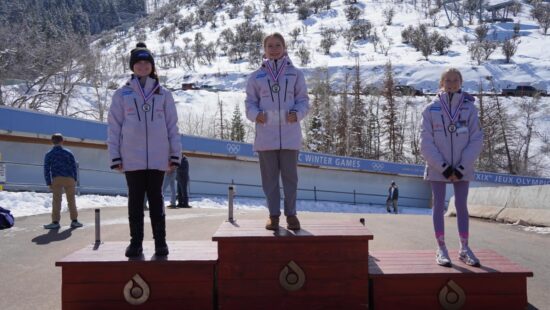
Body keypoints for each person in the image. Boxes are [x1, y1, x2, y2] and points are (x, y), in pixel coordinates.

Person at [107, 42, 181, 257]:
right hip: (131, 158)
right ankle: (135, 242)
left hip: (158, 158)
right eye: (138, 63)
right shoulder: (122, 94)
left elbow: (172, 127)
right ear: (132, 66)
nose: (142, 66)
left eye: (146, 62)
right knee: (135, 202)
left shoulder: (163, 94)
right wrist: (115, 156)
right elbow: (114, 127)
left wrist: (174, 155)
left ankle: (160, 242)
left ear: (152, 66)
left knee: (157, 201)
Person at [245, 33, 310, 231]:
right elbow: (249, 103)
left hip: (290, 136)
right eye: (270, 45)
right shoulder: (256, 76)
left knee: (291, 178)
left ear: (285, 47)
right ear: (264, 49)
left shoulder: (295, 74)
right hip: (266, 137)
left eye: (277, 45)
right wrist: (256, 115)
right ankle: (273, 215)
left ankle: (291, 215)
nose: (274, 49)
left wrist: (297, 113)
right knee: (269, 180)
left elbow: (304, 100)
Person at [420, 68, 483, 268]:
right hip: (439, 168)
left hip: (462, 168)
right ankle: (442, 248)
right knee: (438, 206)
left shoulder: (470, 109)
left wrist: (461, 167)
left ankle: (464, 249)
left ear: (461, 82)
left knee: (462, 206)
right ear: (441, 82)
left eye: (455, 80)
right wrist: (445, 168)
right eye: (447, 80)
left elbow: (476, 139)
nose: (451, 83)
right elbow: (425, 143)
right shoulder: (430, 110)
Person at [43, 133, 83, 229]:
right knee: (71, 200)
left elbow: (46, 169)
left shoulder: (49, 154)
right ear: (62, 141)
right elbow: (74, 166)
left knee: (57, 200)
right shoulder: (68, 153)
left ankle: (55, 222)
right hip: (69, 178)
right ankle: (74, 221)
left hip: (57, 178)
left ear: (52, 142)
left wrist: (48, 182)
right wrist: (75, 179)